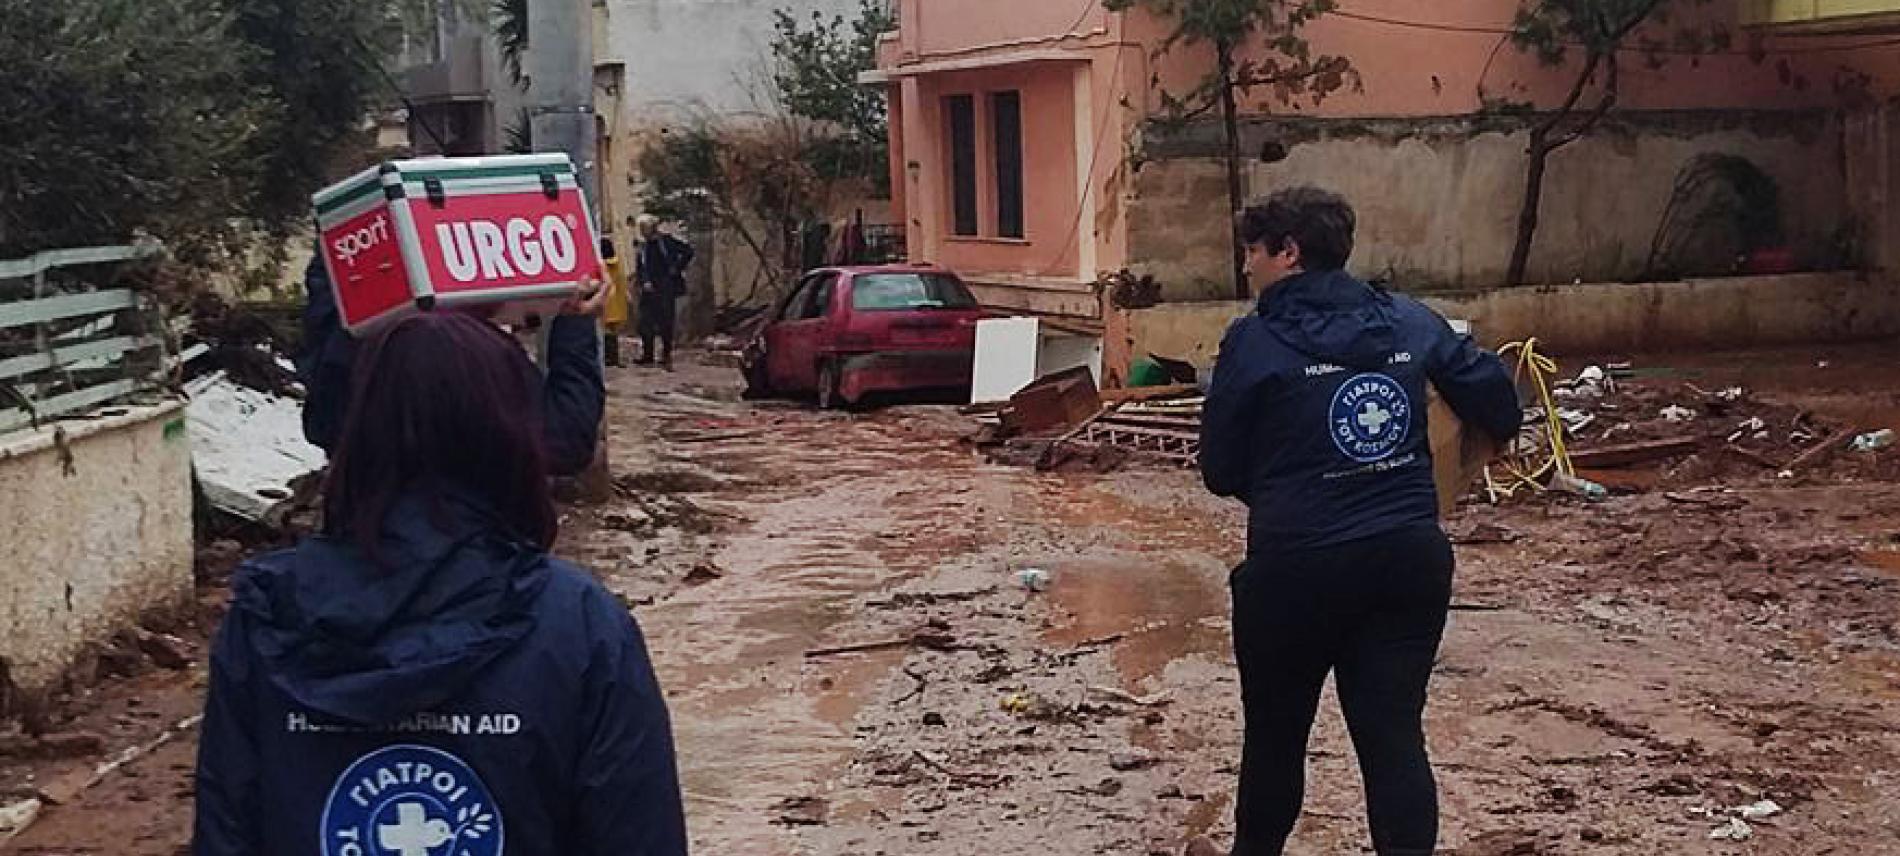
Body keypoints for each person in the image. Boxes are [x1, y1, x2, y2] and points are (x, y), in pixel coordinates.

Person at [194, 311, 688, 855]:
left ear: (358, 431)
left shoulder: (265, 619)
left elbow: (225, 836)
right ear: (512, 435)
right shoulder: (583, 627)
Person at [1196, 187, 1521, 856]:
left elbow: (1220, 469)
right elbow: (1498, 403)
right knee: (1393, 737)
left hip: (1294, 572)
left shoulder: (1253, 342)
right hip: (1404, 562)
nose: (1246, 266)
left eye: (1252, 252)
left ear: (1287, 253)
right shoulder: (1410, 322)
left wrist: (1291, 476)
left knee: (1276, 739)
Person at [297, 254, 606, 474]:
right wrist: (574, 319)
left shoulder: (350, 405)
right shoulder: (487, 371)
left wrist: (339, 260)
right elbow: (566, 441)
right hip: (493, 545)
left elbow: (325, 414)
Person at [632, 214, 695, 370]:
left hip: (665, 287)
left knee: (665, 321)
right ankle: (648, 355)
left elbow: (687, 251)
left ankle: (666, 355)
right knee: (645, 322)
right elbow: (641, 266)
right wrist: (642, 281)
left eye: (644, 227)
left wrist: (676, 268)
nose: (642, 231)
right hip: (648, 288)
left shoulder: (665, 242)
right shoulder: (643, 246)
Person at [601, 235, 631, 368]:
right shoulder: (617, 263)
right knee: (613, 331)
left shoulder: (602, 265)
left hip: (606, 299)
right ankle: (614, 358)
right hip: (617, 300)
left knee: (606, 331)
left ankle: (609, 357)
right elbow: (622, 281)